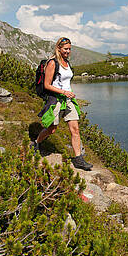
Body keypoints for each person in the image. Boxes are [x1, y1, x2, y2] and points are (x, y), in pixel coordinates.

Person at [34, 37, 92, 171]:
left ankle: (78, 159)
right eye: (66, 49)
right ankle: (36, 143)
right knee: (51, 129)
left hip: (69, 100)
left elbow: (66, 81)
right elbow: (46, 85)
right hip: (56, 99)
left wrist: (68, 93)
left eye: (70, 49)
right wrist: (63, 92)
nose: (68, 51)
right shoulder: (52, 63)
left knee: (75, 130)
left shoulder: (67, 62)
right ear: (59, 48)